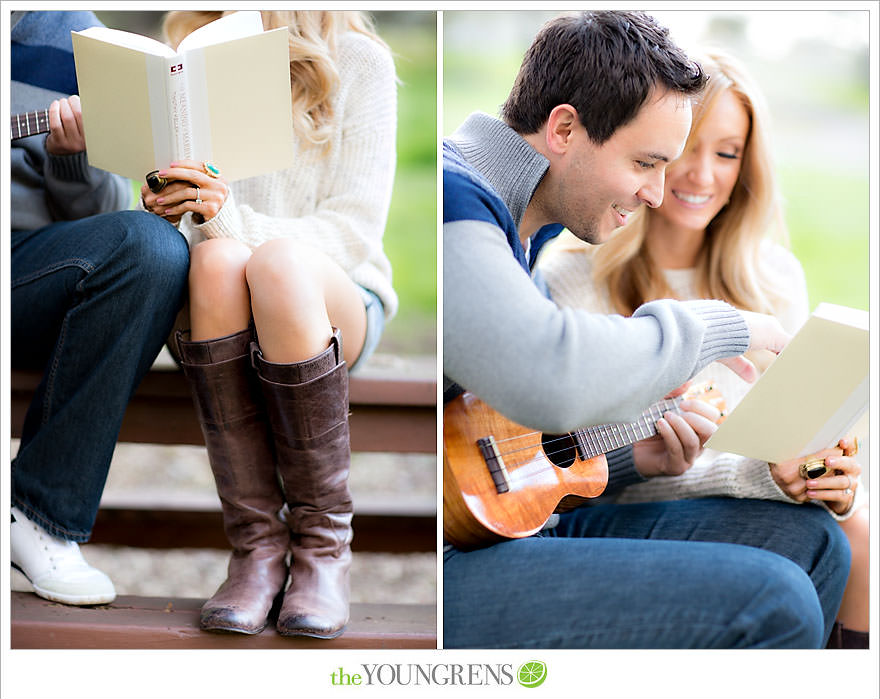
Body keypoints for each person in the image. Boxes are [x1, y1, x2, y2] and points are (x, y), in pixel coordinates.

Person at [443, 11, 850, 648]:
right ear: (565, 129)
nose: (659, 193)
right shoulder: (457, 200)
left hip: (507, 526)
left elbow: (514, 442)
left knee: (816, 542)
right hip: (451, 565)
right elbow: (548, 372)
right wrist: (720, 326)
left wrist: (638, 458)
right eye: (646, 162)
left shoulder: (525, 223)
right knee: (775, 600)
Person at [539, 48, 869, 648]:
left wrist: (826, 480)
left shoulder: (774, 277)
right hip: (605, 519)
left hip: (741, 512)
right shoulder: (574, 277)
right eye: (690, 147)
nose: (703, 174)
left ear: (747, 167)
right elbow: (560, 459)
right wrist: (763, 477)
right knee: (823, 539)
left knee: (842, 529)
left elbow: (805, 446)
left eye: (728, 153)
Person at [139, 10, 397, 639]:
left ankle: (322, 552)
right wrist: (163, 206)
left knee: (275, 264)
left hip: (330, 297)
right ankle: (255, 548)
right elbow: (180, 234)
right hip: (216, 299)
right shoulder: (183, 59)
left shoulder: (361, 61)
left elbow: (352, 233)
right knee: (219, 262)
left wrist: (229, 216)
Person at [10, 11, 190, 605]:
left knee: (152, 248)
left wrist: (69, 157)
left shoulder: (67, 32)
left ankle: (38, 516)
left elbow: (104, 214)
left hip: (26, 266)